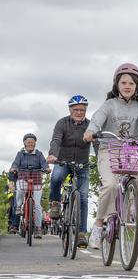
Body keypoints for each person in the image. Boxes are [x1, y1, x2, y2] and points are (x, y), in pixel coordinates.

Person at [83, 63, 138, 249]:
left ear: (137, 86)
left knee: (137, 175)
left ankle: (133, 205)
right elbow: (96, 120)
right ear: (117, 84)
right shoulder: (109, 105)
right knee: (110, 185)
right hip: (107, 149)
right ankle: (98, 225)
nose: (128, 86)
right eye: (124, 82)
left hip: (129, 150)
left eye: (132, 83)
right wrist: (91, 131)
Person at [47, 95, 94, 248]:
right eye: (76, 109)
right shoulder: (62, 123)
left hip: (82, 165)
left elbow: (98, 144)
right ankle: (55, 202)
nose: (79, 112)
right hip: (63, 161)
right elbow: (56, 140)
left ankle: (81, 233)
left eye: (82, 110)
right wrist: (53, 154)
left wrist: (102, 160)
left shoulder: (91, 125)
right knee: (56, 178)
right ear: (70, 110)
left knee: (84, 198)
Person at [9, 133, 50, 239]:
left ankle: (37, 228)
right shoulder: (20, 154)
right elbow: (15, 164)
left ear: (35, 143)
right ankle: (19, 207)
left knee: (37, 206)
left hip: (36, 180)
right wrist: (14, 168)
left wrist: (46, 168)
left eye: (32, 142)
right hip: (23, 178)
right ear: (25, 143)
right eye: (28, 142)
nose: (30, 144)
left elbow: (44, 164)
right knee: (19, 190)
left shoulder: (39, 154)